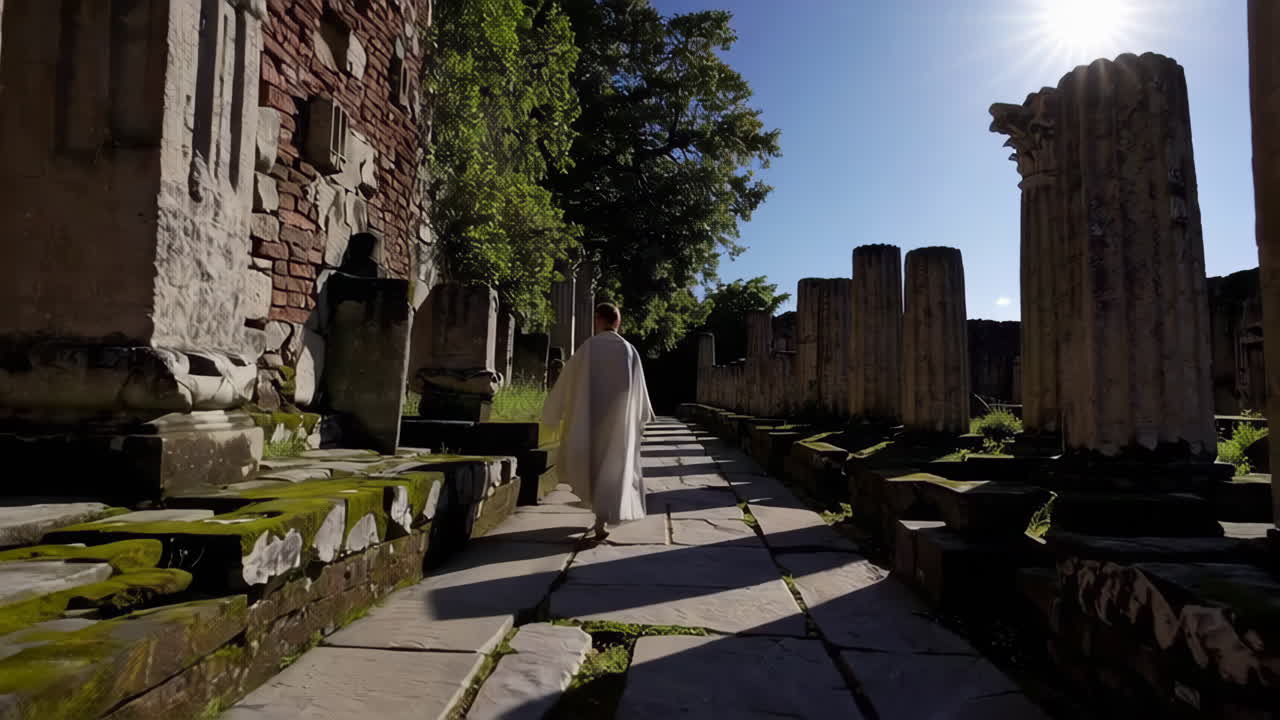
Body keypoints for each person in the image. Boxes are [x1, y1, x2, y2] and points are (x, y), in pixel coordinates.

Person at [541, 303, 656, 541]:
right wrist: (639, 417)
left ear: (598, 320)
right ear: (616, 322)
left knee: (591, 463)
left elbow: (567, 381)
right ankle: (601, 519)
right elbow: (639, 392)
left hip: (591, 418)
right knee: (613, 466)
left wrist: (554, 411)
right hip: (618, 422)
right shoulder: (629, 349)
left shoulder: (589, 347)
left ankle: (598, 513)